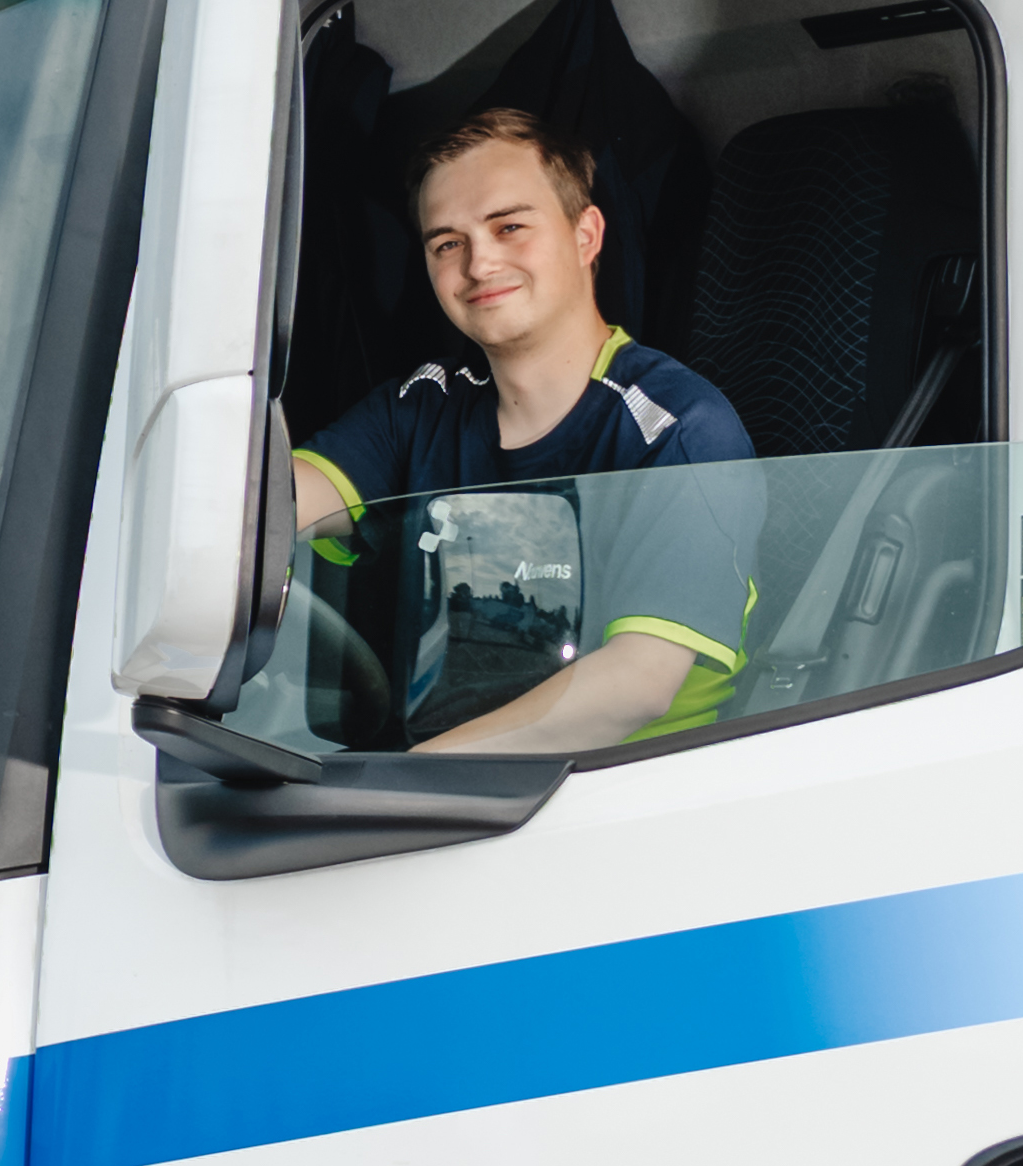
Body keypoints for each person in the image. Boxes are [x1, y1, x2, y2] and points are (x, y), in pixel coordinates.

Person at [291, 108, 758, 752]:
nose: (479, 264)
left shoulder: (678, 429)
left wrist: (408, 779)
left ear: (586, 234)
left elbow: (636, 685)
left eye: (509, 226)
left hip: (617, 793)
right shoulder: (424, 403)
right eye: (447, 243)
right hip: (452, 781)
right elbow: (270, 503)